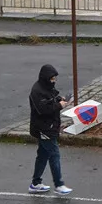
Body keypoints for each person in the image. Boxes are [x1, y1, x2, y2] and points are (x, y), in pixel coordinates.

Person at [28, 65, 70, 196]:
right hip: (43, 129)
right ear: (46, 78)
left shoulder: (47, 87)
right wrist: (59, 105)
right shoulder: (36, 91)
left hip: (50, 127)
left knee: (43, 155)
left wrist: (60, 99)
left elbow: (52, 97)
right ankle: (59, 184)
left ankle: (35, 183)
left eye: (55, 78)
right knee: (54, 155)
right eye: (52, 79)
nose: (54, 81)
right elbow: (43, 110)